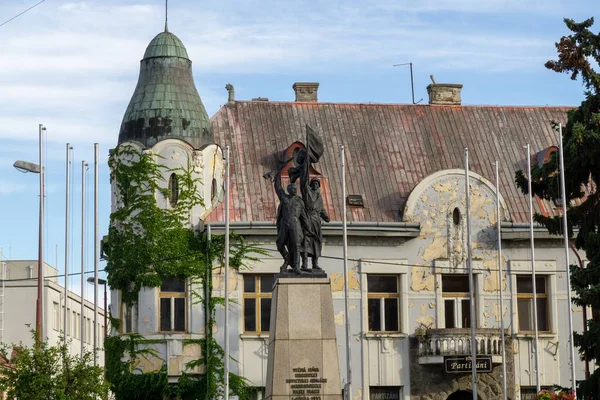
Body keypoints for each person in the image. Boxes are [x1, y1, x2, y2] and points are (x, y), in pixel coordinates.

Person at [274, 170, 309, 273]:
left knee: (296, 246)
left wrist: (308, 228)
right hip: (285, 225)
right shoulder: (284, 198)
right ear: (288, 190)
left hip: (295, 225)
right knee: (279, 244)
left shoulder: (299, 201)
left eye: (295, 188)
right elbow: (278, 188)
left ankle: (296, 266)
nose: (293, 190)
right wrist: (277, 175)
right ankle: (287, 258)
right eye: (291, 188)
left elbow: (304, 217)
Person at [301, 177, 330, 270]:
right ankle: (304, 264)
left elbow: (321, 209)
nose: (315, 185)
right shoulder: (307, 193)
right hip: (307, 219)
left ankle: (315, 263)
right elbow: (304, 182)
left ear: (318, 186)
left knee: (317, 242)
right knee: (305, 241)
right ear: (310, 185)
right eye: (313, 183)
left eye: (317, 184)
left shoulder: (319, 197)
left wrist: (326, 217)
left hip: (316, 222)